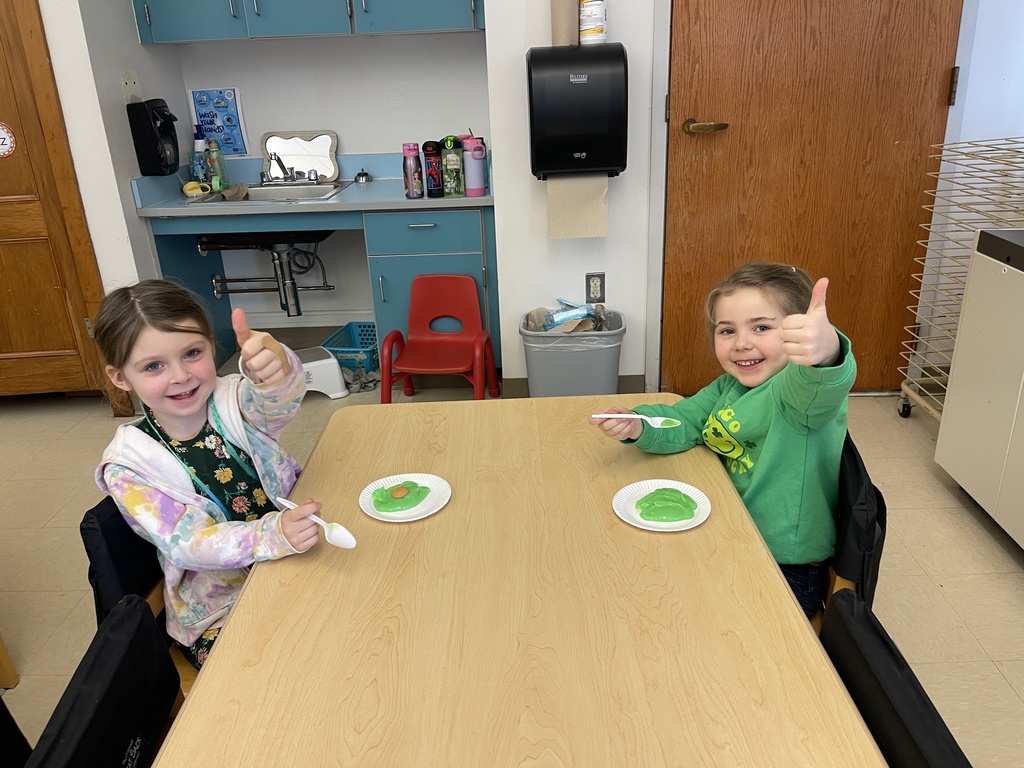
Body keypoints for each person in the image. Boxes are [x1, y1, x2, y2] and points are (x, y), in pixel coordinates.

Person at [591, 262, 856, 618]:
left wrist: (825, 352)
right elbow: (685, 417)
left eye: (761, 327)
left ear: (796, 334)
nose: (742, 344)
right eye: (726, 331)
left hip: (782, 564)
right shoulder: (730, 386)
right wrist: (638, 424)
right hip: (731, 529)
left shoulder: (797, 394)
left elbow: (820, 385)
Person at [93, 280, 321, 669]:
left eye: (192, 353)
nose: (181, 375)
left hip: (297, 554)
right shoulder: (128, 467)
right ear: (119, 378)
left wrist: (276, 367)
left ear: (213, 346)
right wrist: (273, 535)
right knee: (288, 669)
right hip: (220, 606)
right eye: (153, 366)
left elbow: (279, 402)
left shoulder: (234, 399)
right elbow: (190, 542)